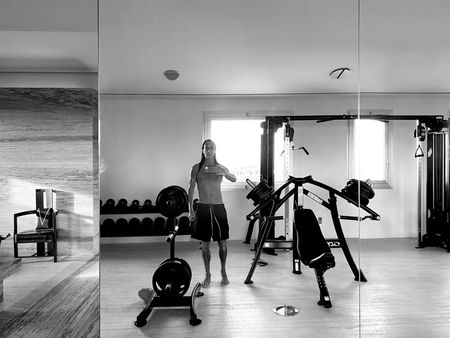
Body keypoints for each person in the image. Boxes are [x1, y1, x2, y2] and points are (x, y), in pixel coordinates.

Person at [188, 139, 236, 287]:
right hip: (203, 208)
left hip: (218, 208)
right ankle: (207, 274)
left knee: (222, 243)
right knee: (205, 244)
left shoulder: (220, 167)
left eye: (211, 148)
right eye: (206, 148)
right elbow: (190, 189)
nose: (209, 150)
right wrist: (190, 209)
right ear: (202, 150)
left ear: (215, 150)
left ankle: (223, 271)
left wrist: (225, 173)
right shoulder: (196, 168)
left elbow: (233, 179)